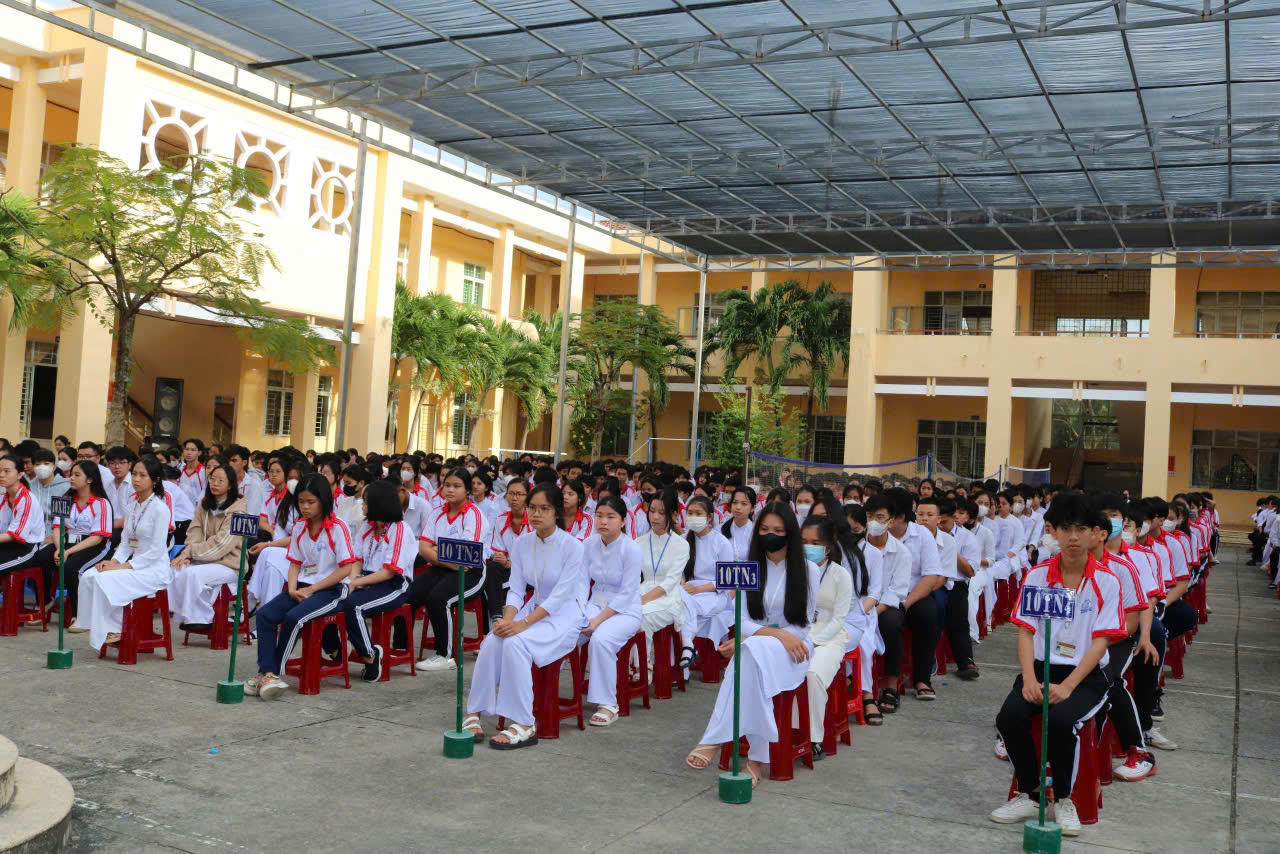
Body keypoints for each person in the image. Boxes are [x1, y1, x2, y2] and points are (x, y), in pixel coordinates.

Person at [991, 492, 1126, 838]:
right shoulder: (1037, 577)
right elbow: (1024, 632)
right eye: (1065, 528)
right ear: (1053, 531)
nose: (1074, 537)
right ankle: (1031, 791)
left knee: (1064, 720)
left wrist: (1068, 686)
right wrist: (1029, 679)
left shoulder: (1107, 581)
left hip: (1085, 676)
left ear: (1097, 532)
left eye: (1082, 528)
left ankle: (1065, 799)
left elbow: (1101, 641)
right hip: (1040, 668)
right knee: (1009, 717)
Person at [685, 502, 819, 786]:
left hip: (794, 651)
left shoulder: (808, 570)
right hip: (763, 646)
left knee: (747, 652)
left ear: (790, 533)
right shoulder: (748, 568)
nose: (771, 535)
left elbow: (801, 626)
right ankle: (754, 761)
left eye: (778, 530)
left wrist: (769, 636)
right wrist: (770, 634)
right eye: (765, 529)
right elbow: (740, 620)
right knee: (750, 657)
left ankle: (717, 739)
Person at [462, 483, 588, 748]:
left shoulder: (573, 547)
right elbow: (517, 590)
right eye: (532, 507)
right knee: (492, 640)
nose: (536, 514)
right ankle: (474, 712)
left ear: (557, 512)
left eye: (544, 508)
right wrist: (507, 620)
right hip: (535, 608)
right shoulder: (522, 543)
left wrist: (521, 625)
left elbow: (561, 596)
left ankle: (524, 723)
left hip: (566, 615)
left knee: (516, 643)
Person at [247, 475, 358, 700]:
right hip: (304, 586)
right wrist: (292, 588)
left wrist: (313, 588)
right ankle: (266, 672)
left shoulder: (338, 527)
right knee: (266, 614)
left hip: (333, 589)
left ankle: (272, 673)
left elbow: (346, 569)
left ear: (323, 501)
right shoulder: (299, 527)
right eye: (301, 502)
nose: (305, 507)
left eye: (310, 502)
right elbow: (295, 563)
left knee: (294, 618)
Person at [76, 456, 174, 651]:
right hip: (133, 564)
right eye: (135, 474)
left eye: (142, 475)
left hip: (153, 570)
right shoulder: (133, 505)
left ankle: (115, 628)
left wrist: (123, 566)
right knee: (90, 576)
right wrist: (112, 562)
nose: (136, 479)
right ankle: (95, 626)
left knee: (105, 580)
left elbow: (156, 551)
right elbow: (125, 544)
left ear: (154, 480)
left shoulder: (161, 509)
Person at [413, 467, 490, 673]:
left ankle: (446, 655)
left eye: (457, 486)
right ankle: (402, 648)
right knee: (411, 593)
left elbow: (465, 558)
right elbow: (423, 548)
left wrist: (437, 550)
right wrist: (445, 556)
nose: (450, 490)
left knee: (439, 598)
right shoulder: (437, 513)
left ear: (467, 491)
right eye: (447, 485)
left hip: (472, 573)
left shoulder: (475, 515)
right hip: (443, 568)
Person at [340, 480, 415, 684]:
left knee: (353, 606)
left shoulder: (400, 530)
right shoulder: (368, 526)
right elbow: (358, 558)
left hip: (394, 585)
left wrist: (356, 583)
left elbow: (389, 572)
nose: (362, 506)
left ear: (378, 503)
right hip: (367, 579)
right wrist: (353, 579)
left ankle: (370, 655)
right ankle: (336, 651)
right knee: (331, 599)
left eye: (365, 501)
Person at [577, 495, 643, 727]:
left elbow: (627, 593)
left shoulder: (631, 549)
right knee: (566, 630)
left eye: (611, 516)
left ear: (623, 521)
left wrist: (597, 621)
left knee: (601, 639)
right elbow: (582, 583)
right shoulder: (587, 545)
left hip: (626, 610)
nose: (603, 521)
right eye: (599, 516)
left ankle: (608, 704)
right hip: (595, 603)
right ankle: (544, 690)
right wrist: (579, 611)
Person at [31, 460, 111, 631]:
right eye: (70, 474)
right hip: (66, 541)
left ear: (89, 479)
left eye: (77, 475)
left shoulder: (101, 503)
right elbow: (57, 527)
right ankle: (45, 602)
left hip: (93, 545)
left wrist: (68, 552)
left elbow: (97, 537)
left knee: (71, 568)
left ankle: (80, 615)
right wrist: (60, 548)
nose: (71, 478)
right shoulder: (66, 499)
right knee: (41, 557)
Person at [168, 462, 248, 632]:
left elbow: (221, 545)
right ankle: (185, 614)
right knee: (177, 569)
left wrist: (190, 552)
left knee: (193, 574)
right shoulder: (204, 505)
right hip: (204, 559)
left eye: (221, 481)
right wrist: (187, 555)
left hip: (230, 564)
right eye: (212, 479)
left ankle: (203, 617)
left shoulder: (239, 511)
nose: (215, 484)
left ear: (231, 485)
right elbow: (193, 532)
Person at [801, 514, 853, 758]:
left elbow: (839, 618)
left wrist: (815, 641)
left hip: (829, 639)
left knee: (811, 675)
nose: (808, 547)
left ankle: (812, 738)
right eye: (804, 541)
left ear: (828, 548)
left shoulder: (840, 574)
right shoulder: (794, 571)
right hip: (798, 636)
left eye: (815, 543)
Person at [676, 495, 734, 669]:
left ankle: (687, 647)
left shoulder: (721, 542)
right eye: (690, 513)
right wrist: (682, 583)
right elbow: (678, 571)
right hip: (687, 591)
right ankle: (687, 648)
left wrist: (699, 589)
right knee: (677, 604)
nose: (693, 516)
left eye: (698, 513)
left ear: (709, 517)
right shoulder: (684, 538)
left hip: (714, 594)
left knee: (679, 614)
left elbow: (726, 580)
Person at [635, 489, 690, 651]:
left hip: (669, 599)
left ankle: (644, 669)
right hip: (642, 592)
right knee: (625, 616)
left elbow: (670, 583)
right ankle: (630, 668)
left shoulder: (681, 545)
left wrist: (642, 600)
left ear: (673, 514)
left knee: (641, 616)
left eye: (661, 512)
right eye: (652, 511)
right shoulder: (639, 542)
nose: (655, 517)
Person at [245, 458, 299, 608]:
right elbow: (262, 521)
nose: (273, 475)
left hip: (292, 552)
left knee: (266, 553)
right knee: (270, 571)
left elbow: (295, 537)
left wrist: (269, 543)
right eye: (271, 471)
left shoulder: (294, 500)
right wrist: (271, 530)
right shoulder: (269, 494)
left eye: (278, 472)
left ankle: (250, 600)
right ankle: (264, 613)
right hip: (277, 544)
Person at [486, 477, 529, 623]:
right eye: (510, 494)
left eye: (519, 494)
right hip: (509, 569)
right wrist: (503, 560)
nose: (514, 498)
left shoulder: (535, 521)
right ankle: (496, 615)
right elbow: (499, 551)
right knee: (491, 567)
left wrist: (510, 563)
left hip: (530, 571)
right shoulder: (501, 519)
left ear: (528, 496)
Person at [28, 448, 70, 536]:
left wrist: (54, 537)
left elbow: (62, 520)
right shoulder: (29, 486)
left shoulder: (65, 486)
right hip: (30, 532)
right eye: (37, 464)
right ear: (33, 467)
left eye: (46, 464)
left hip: (54, 534)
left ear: (54, 466)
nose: (42, 467)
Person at [720, 485, 756, 560]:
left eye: (744, 504)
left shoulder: (756, 531)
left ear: (752, 508)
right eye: (735, 502)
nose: (738, 507)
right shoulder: (720, 529)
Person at [178, 438, 207, 508]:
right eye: (186, 449)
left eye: (193, 450)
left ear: (199, 453)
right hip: (180, 512)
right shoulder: (179, 469)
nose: (189, 453)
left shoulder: (204, 472)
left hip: (196, 512)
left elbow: (205, 493)